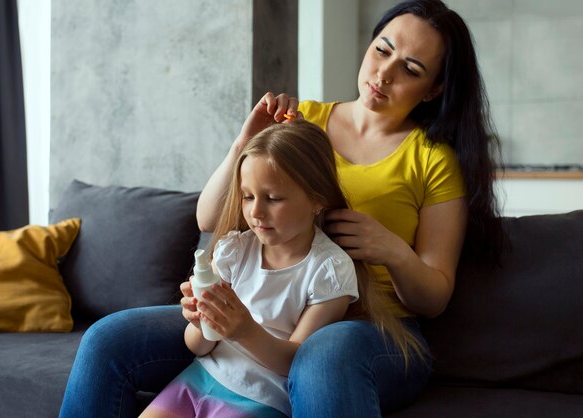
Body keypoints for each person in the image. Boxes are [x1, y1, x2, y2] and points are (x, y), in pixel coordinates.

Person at [59, 1, 503, 416]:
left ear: (434, 89)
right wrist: (243, 142)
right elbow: (210, 219)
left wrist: (390, 249)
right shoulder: (302, 121)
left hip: (375, 329)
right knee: (106, 340)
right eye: (381, 50)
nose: (383, 73)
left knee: (321, 358)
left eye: (410, 68)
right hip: (265, 309)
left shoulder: (433, 159)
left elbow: (435, 297)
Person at [139, 120, 360, 418]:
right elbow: (198, 347)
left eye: (273, 198)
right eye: (248, 196)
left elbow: (299, 364)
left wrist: (244, 331)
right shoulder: (236, 250)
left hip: (261, 399)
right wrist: (200, 320)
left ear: (317, 199)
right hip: (197, 381)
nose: (255, 212)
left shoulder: (329, 270)